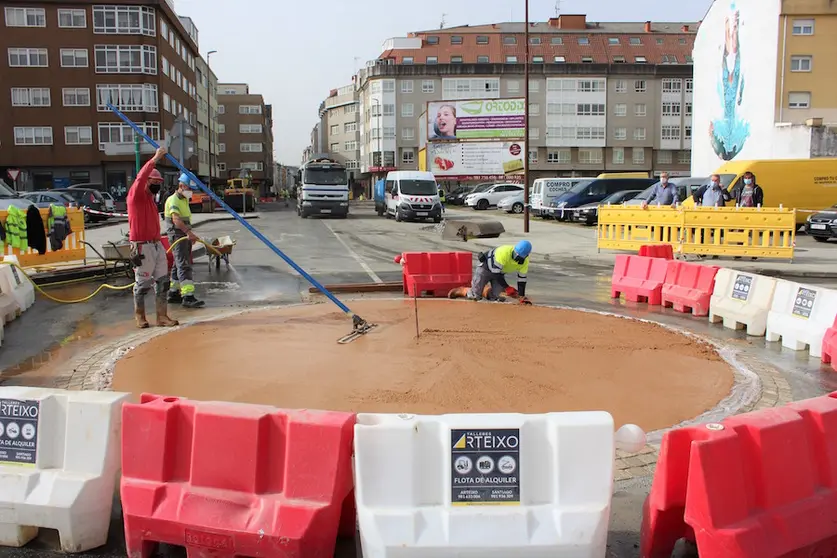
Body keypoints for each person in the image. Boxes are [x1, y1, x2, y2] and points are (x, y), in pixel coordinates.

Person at [127, 146, 179, 329]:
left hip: (156, 244)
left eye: (159, 182)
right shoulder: (135, 196)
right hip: (142, 247)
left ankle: (162, 316)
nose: (157, 185)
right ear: (146, 181)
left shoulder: (150, 200)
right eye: (154, 181)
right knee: (142, 283)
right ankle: (140, 316)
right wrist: (156, 158)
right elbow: (140, 177)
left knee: (163, 281)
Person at [164, 173, 205, 309]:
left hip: (182, 235)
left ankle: (174, 292)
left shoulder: (183, 200)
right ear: (181, 186)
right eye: (189, 188)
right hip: (178, 235)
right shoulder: (174, 200)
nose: (191, 192)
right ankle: (187, 296)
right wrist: (188, 233)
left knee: (178, 263)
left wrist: (190, 234)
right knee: (184, 264)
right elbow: (176, 220)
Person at [448, 240, 532, 304]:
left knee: (496, 298)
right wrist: (507, 288)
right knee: (475, 297)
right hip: (485, 268)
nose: (516, 258)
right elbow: (495, 273)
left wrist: (521, 296)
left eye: (519, 257)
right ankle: (463, 290)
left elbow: (522, 279)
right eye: (515, 254)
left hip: (499, 273)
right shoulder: (504, 252)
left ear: (526, 256)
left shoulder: (525, 262)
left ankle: (485, 290)